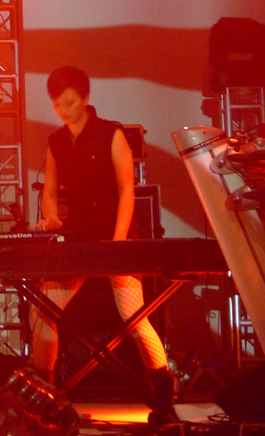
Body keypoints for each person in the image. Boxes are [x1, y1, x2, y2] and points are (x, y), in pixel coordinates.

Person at [30, 66, 174, 403]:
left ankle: (163, 390)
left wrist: (117, 244)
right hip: (79, 238)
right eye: (57, 105)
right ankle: (43, 390)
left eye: (69, 103)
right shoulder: (56, 142)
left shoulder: (111, 133)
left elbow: (127, 191)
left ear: (85, 98)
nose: (63, 111)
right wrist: (51, 218)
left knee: (133, 316)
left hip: (115, 233)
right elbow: (49, 192)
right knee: (44, 310)